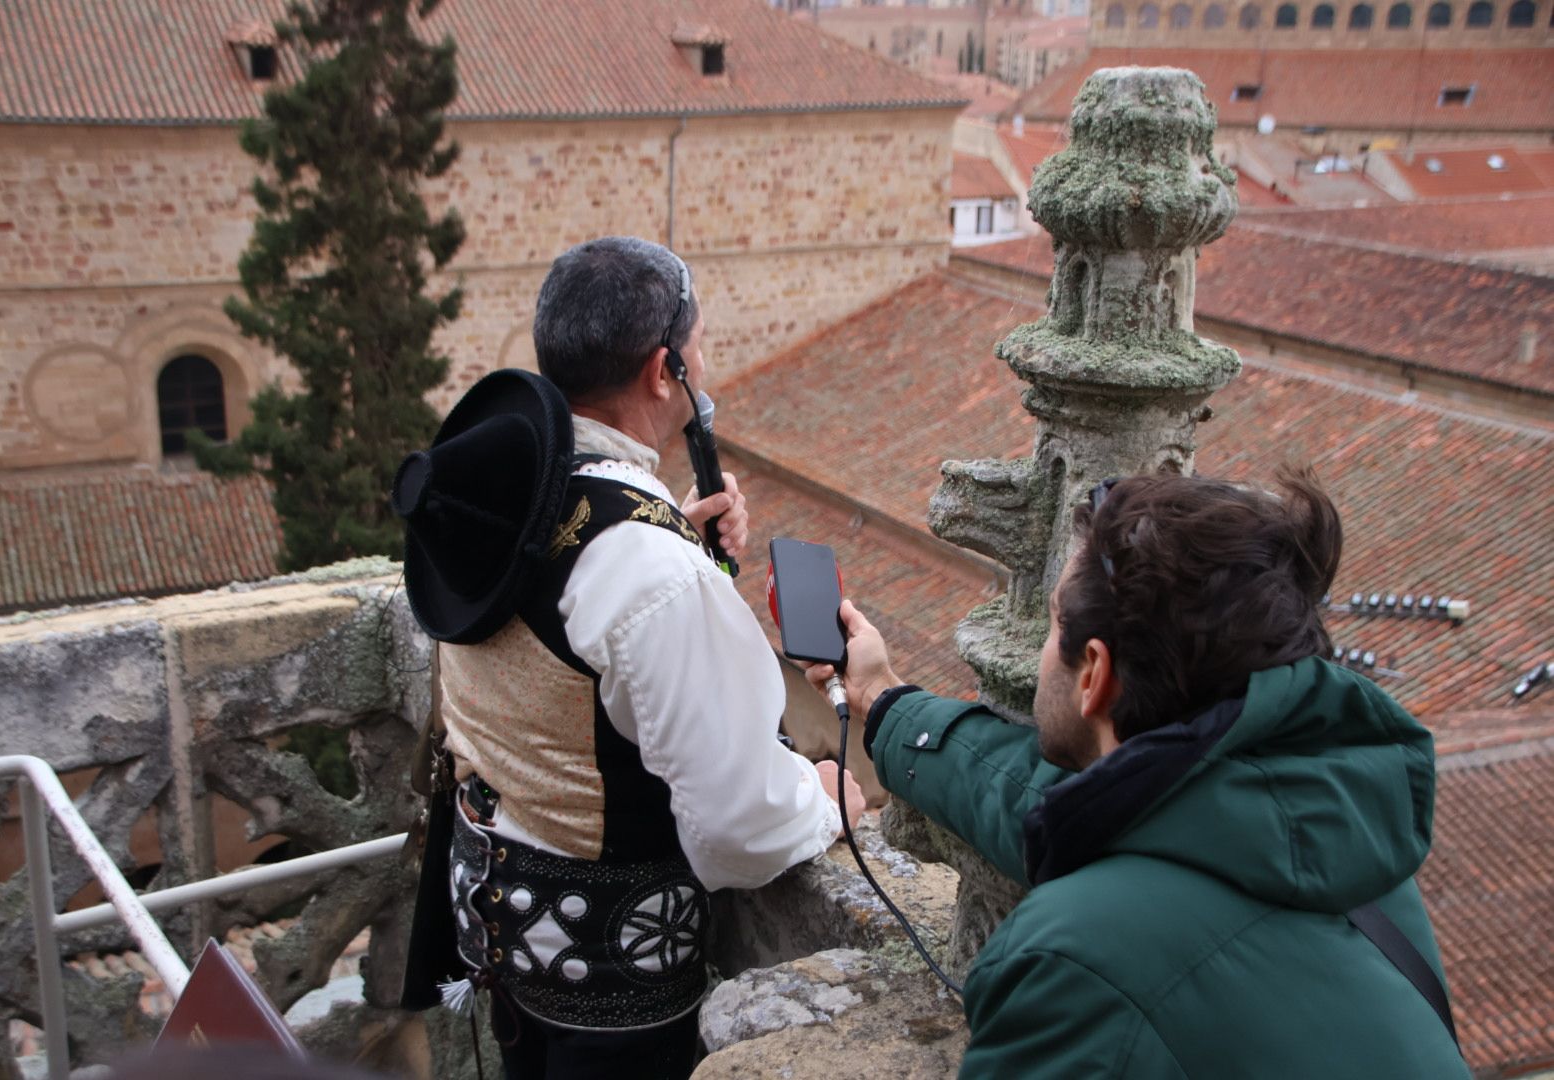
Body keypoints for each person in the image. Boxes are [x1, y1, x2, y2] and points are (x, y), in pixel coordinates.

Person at [807, 470, 1468, 1080]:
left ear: (1093, 673)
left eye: (1053, 623)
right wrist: (887, 703)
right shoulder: (1341, 845)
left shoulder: (1071, 962)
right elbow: (1056, 803)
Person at [394, 236, 862, 1079]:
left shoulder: (513, 487)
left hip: (498, 934)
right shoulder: (655, 574)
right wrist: (826, 801)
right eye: (701, 345)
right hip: (610, 997)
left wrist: (668, 528)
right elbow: (737, 830)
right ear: (662, 370)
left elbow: (560, 616)